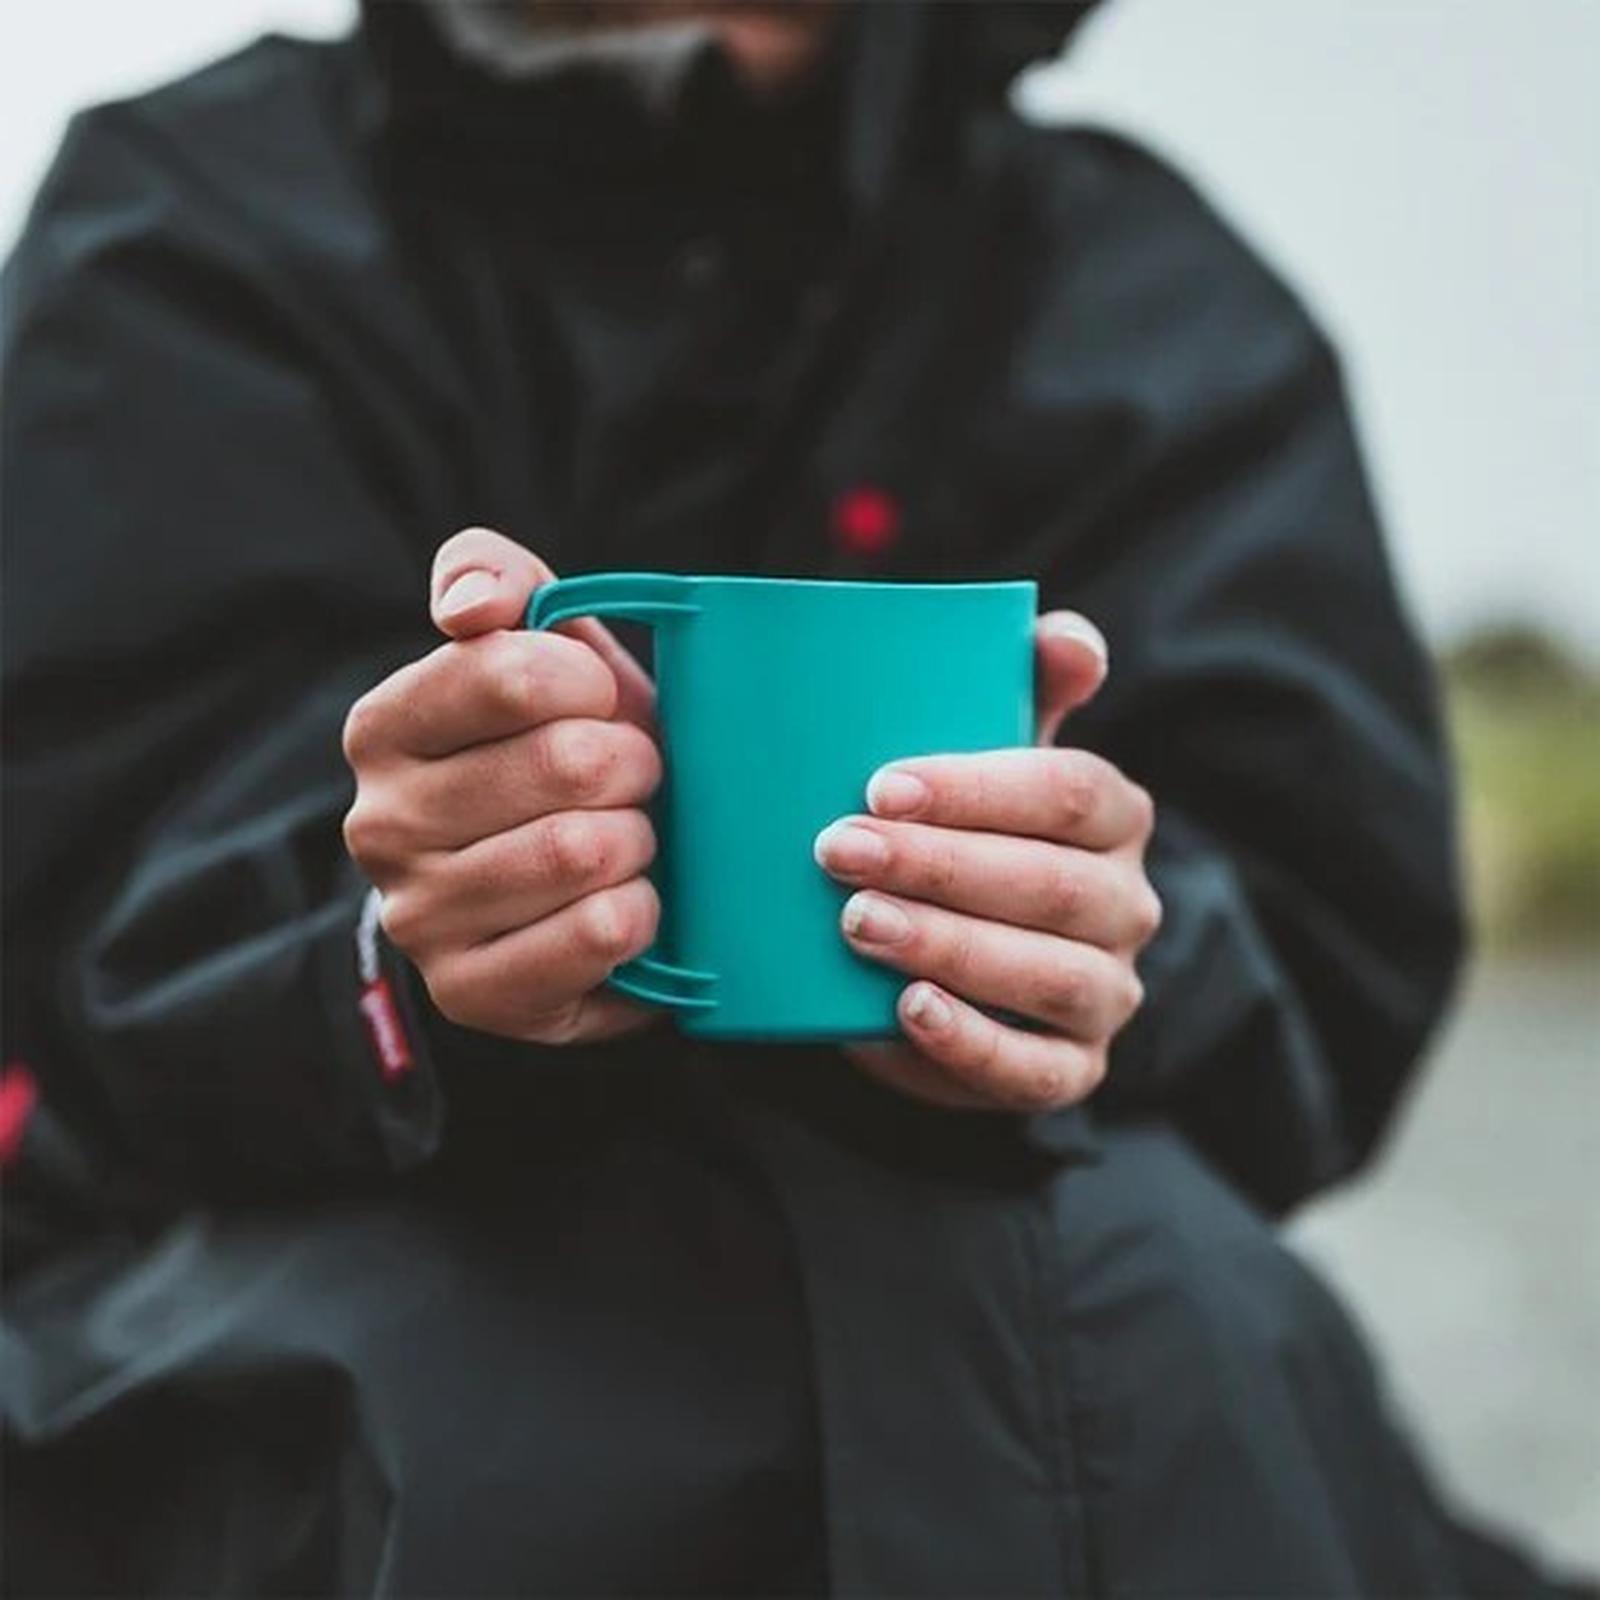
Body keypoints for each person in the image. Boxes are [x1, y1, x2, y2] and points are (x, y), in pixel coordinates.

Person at [0, 2, 1583, 1595]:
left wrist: (1097, 950)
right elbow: (75, 881)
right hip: (346, 1407)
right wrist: (390, 948)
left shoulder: (1150, 297)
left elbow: (1331, 927)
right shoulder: (189, 228)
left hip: (1133, 1386)